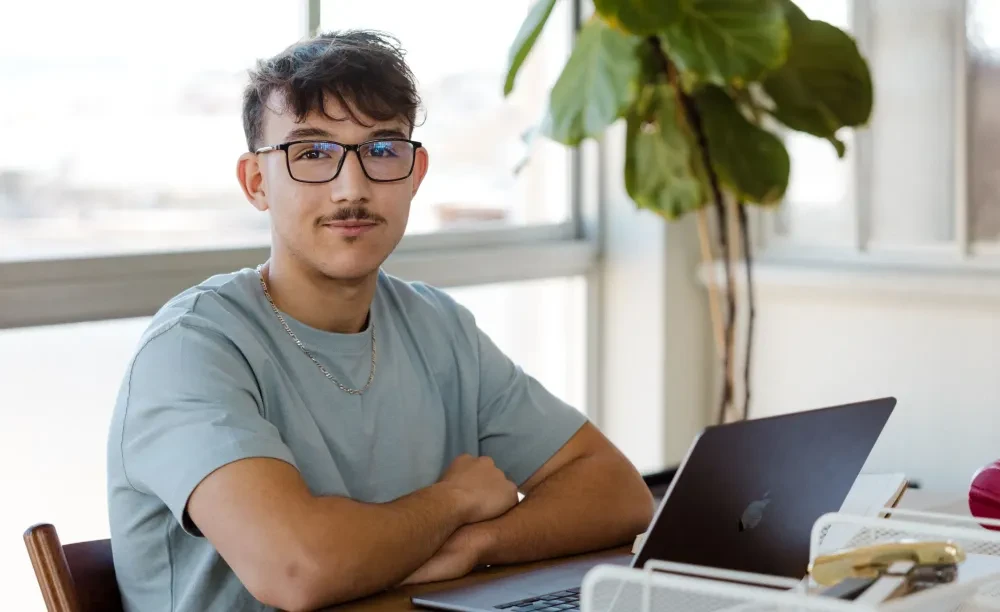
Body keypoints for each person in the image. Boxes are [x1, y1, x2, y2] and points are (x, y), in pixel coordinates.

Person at [106, 29, 653, 612]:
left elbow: (616, 492)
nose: (352, 188)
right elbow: (297, 569)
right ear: (256, 182)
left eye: (383, 149)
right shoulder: (191, 348)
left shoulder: (437, 326)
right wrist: (455, 501)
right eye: (312, 153)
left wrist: (477, 544)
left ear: (416, 173)